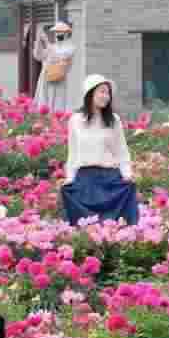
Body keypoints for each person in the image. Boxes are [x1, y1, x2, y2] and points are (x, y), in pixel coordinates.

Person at [63, 75, 139, 226]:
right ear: (90, 93)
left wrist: (127, 174)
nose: (106, 96)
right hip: (85, 180)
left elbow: (121, 151)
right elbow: (73, 153)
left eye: (108, 93)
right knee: (85, 226)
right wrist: (70, 178)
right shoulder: (76, 120)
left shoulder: (114, 120)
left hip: (110, 179)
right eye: (102, 92)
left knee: (117, 226)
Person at [30, 18, 75, 113]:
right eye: (56, 32)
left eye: (61, 32)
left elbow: (56, 57)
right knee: (43, 104)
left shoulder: (70, 48)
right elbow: (38, 56)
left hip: (57, 79)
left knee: (57, 106)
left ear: (67, 33)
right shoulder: (52, 46)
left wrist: (46, 40)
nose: (58, 34)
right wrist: (38, 41)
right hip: (45, 78)